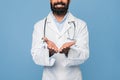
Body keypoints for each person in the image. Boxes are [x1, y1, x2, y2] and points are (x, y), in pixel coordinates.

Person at [31, 0, 89, 80]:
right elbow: (36, 57)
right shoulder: (39, 26)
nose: (59, 0)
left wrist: (68, 51)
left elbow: (85, 54)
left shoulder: (80, 25)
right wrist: (49, 53)